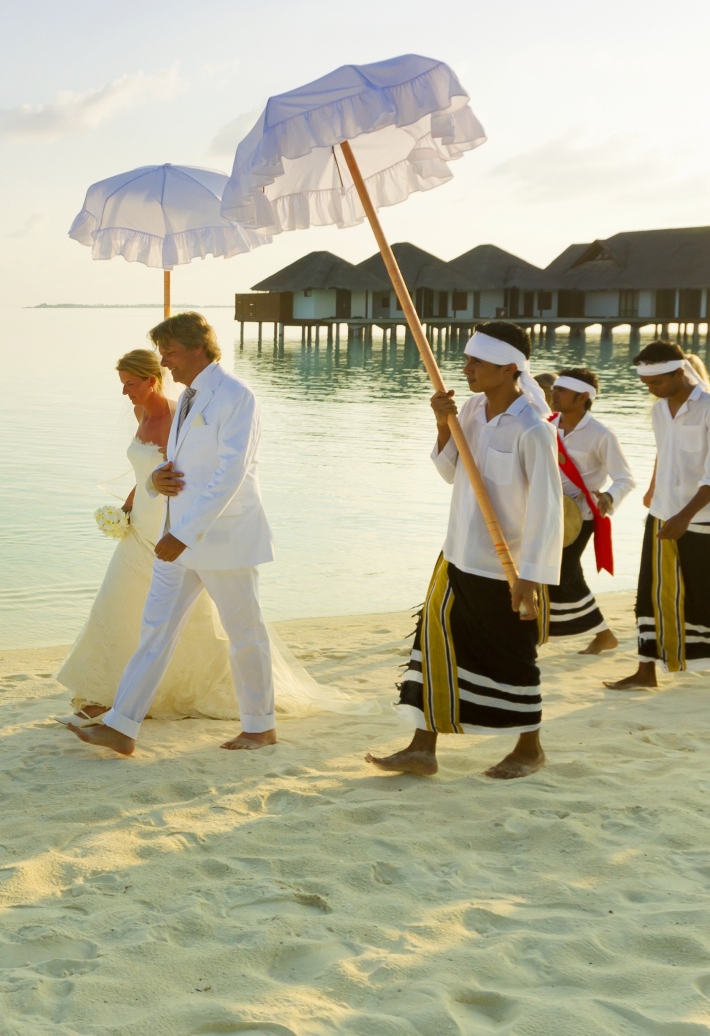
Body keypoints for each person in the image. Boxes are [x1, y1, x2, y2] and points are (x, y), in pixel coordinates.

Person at [57, 348, 330, 727]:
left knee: (230, 628)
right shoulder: (172, 405)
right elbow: (152, 474)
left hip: (184, 530)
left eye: (130, 384)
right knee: (132, 613)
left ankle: (253, 722)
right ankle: (120, 714)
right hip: (150, 523)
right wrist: (131, 502)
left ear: (152, 379)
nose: (125, 393)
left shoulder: (219, 401)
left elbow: (210, 474)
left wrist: (180, 528)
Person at [68, 312, 277, 755]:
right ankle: (123, 726)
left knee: (245, 632)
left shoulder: (237, 396)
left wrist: (184, 533)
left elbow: (231, 472)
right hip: (176, 537)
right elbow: (179, 467)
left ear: (197, 348)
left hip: (222, 539)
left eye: (171, 352)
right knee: (155, 628)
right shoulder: (187, 398)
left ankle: (260, 725)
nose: (165, 362)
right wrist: (154, 481)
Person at [366, 321, 563, 780]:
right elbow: (449, 471)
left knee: (513, 654)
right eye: (468, 358)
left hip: (508, 566)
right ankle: (421, 748)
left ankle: (530, 748)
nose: (466, 367)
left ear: (509, 367)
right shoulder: (470, 410)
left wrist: (529, 577)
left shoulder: (534, 429)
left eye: (477, 361)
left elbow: (547, 511)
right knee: (433, 645)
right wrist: (441, 424)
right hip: (456, 553)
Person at [605, 340, 710, 691]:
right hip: (662, 515)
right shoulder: (659, 410)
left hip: (704, 520)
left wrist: (685, 516)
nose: (652, 391)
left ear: (679, 372)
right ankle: (645, 671)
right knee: (649, 593)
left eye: (657, 383)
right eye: (647, 385)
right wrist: (654, 491)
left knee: (708, 596)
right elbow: (664, 452)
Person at [548, 368, 635, 655]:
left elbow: (625, 478)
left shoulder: (601, 434)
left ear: (583, 396)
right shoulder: (546, 426)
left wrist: (609, 497)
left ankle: (603, 634)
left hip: (579, 517)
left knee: (565, 573)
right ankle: (539, 629)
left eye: (561, 390)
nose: (554, 394)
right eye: (555, 389)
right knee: (551, 571)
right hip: (546, 511)